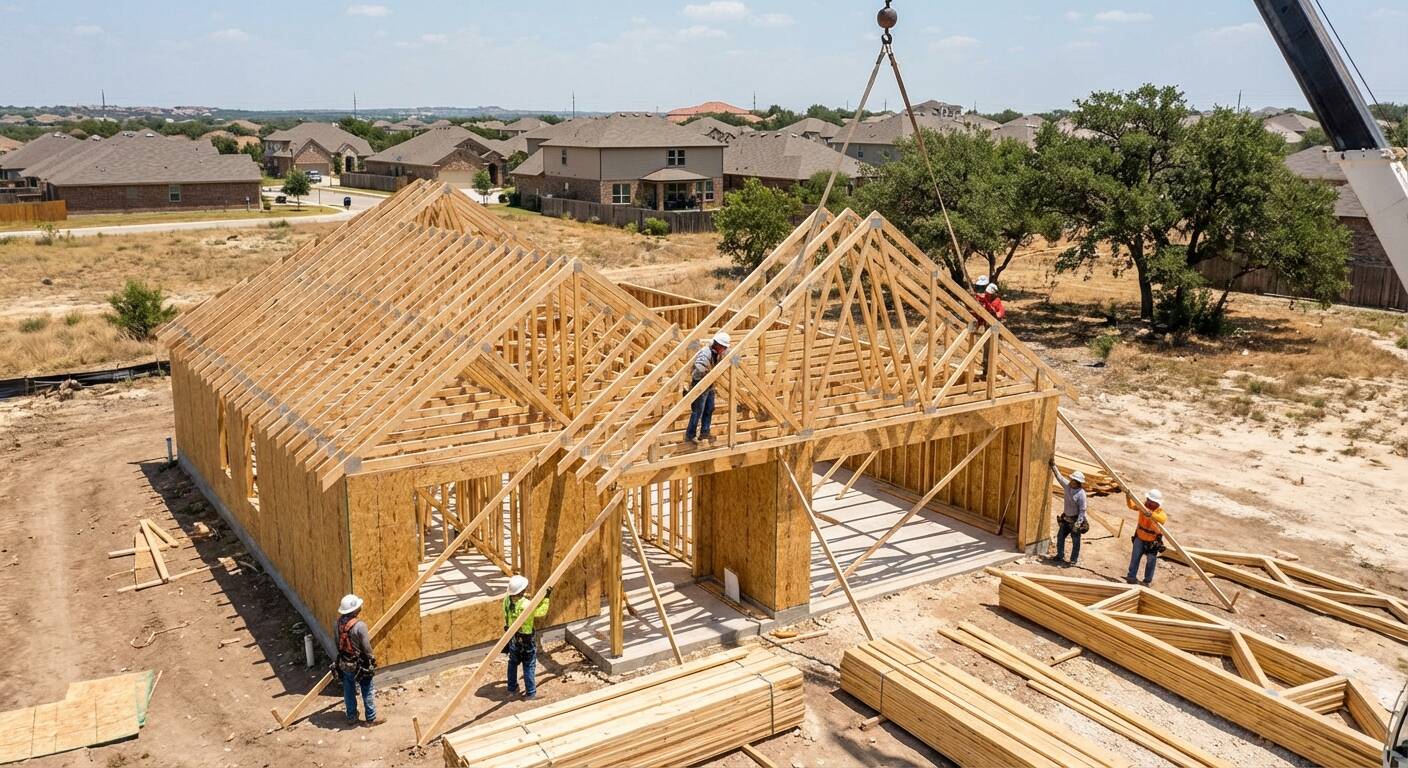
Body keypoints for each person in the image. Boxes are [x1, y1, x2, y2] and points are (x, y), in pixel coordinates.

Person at [333, 594, 381, 726]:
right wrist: (371, 659)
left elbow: (337, 643)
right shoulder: (360, 626)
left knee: (348, 689)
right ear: (354, 610)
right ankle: (370, 718)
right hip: (360, 664)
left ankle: (351, 716)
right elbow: (366, 647)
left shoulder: (337, 624)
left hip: (345, 662)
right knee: (367, 689)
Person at [503, 574, 552, 699]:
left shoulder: (507, 600)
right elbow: (541, 612)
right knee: (529, 664)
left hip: (513, 636)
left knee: (513, 662)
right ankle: (530, 693)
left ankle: (511, 688)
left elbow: (508, 605)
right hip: (526, 639)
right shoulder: (526, 605)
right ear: (523, 591)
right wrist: (546, 597)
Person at [684, 332, 730, 444]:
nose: (724, 349)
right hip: (700, 383)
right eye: (723, 347)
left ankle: (705, 432)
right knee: (697, 411)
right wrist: (708, 373)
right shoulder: (706, 352)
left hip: (710, 384)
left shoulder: (718, 352)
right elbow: (699, 367)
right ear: (717, 345)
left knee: (709, 408)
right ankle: (690, 435)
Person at [1125, 489, 1168, 585]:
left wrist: (1151, 514)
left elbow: (1162, 519)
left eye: (1150, 501)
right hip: (1140, 537)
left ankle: (1147, 581)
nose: (1148, 502)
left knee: (1150, 562)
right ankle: (1131, 577)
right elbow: (1131, 505)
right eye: (1148, 500)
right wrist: (1128, 496)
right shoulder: (1142, 506)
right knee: (1135, 558)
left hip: (1152, 541)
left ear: (1156, 503)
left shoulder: (1159, 512)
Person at [1050, 465, 1088, 565]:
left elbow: (1082, 510)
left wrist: (1078, 524)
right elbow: (1060, 477)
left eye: (1073, 481)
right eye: (1071, 480)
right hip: (1066, 519)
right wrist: (1053, 466)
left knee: (1075, 541)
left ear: (1078, 483)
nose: (1071, 482)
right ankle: (1060, 555)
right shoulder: (1067, 486)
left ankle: (1073, 559)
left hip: (1075, 520)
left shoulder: (1081, 494)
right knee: (1060, 536)